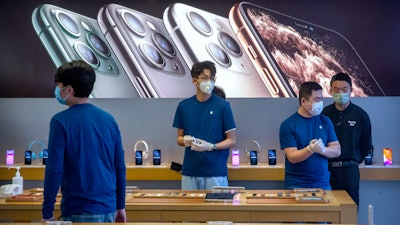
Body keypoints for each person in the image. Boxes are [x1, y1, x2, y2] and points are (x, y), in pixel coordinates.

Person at [42, 60, 127, 222]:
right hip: (108, 208)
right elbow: (119, 166)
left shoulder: (60, 121)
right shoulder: (109, 120)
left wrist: (47, 212)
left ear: (69, 89)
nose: (57, 91)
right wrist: (120, 205)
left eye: (59, 86)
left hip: (78, 209)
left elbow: (54, 170)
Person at [172, 60, 236, 190]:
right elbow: (179, 139)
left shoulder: (223, 106)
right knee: (189, 210)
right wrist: (185, 140)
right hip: (190, 172)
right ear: (194, 81)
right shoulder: (184, 106)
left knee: (216, 209)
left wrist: (211, 146)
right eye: (205, 78)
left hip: (215, 172)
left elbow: (231, 140)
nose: (209, 82)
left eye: (212, 78)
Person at [323, 72, 373, 207]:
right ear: (330, 91)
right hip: (326, 170)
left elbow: (366, 145)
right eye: (336, 90)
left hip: (350, 171)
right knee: (327, 212)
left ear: (351, 90)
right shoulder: (324, 115)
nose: (341, 93)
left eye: (345, 90)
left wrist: (353, 160)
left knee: (349, 211)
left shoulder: (361, 115)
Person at [279, 81, 341, 190]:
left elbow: (337, 150)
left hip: (323, 185)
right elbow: (292, 157)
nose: (321, 103)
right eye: (317, 100)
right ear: (304, 101)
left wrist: (323, 150)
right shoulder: (288, 125)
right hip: (296, 185)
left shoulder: (325, 121)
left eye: (321, 99)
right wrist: (310, 149)